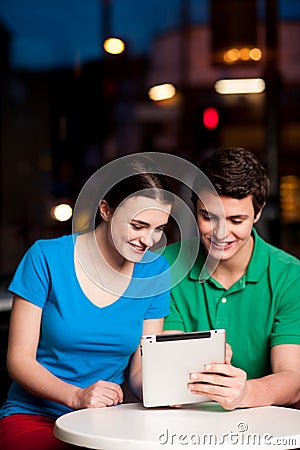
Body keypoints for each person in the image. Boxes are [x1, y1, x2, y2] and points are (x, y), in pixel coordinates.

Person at [0, 154, 173, 450]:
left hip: (104, 422)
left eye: (158, 229)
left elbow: (140, 369)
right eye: (138, 225)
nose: (149, 240)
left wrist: (167, 391)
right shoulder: (46, 258)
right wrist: (75, 397)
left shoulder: (155, 271)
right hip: (35, 416)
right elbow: (19, 360)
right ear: (105, 209)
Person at [162, 147, 300, 411]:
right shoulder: (164, 266)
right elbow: (164, 361)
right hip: (178, 422)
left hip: (261, 427)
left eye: (236, 220)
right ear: (195, 210)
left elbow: (293, 378)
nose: (221, 233)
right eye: (208, 217)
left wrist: (246, 392)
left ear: (258, 214)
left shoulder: (290, 276)